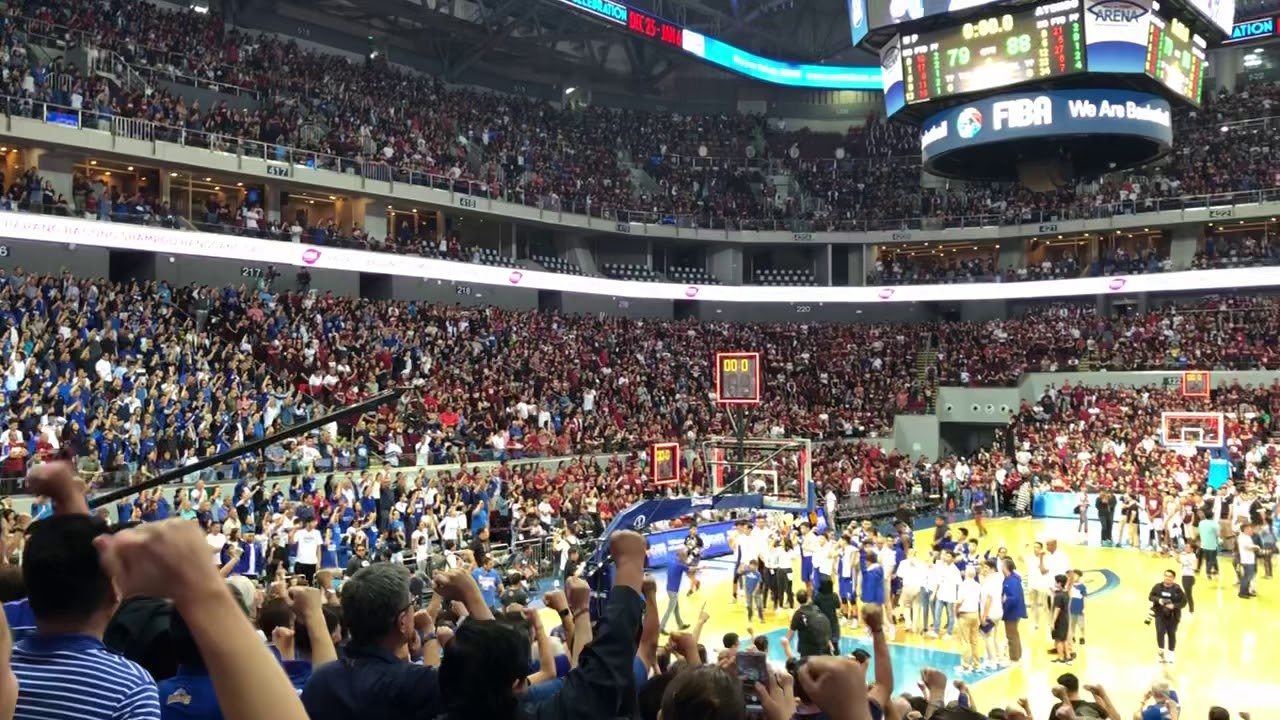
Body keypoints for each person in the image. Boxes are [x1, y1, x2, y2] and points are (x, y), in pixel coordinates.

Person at [302, 563, 470, 720]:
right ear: (402, 621)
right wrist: (470, 595)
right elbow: (483, 682)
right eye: (411, 603)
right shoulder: (414, 682)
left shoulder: (320, 680)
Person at [1148, 569, 1187, 664]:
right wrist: (1159, 600)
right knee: (1160, 633)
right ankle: (1161, 654)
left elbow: (1183, 602)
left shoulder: (1177, 589)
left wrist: (1174, 606)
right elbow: (1150, 597)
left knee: (1171, 634)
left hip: (1173, 616)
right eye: (1166, 575)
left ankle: (1171, 654)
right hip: (1160, 614)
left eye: (1170, 576)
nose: (1167, 578)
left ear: (1173, 578)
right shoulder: (1157, 587)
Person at [784, 590, 832, 657]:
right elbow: (823, 626)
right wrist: (829, 641)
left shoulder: (798, 614)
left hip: (806, 650)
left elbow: (790, 634)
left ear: (797, 600)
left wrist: (785, 642)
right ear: (808, 598)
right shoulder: (816, 608)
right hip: (820, 647)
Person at [1001, 558, 1027, 662]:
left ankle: (1014, 657)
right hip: (1011, 610)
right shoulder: (1009, 579)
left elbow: (1014, 598)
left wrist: (1005, 600)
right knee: (1013, 634)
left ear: (1005, 567)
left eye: (1002, 565)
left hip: (1012, 611)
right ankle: (1017, 655)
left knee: (1011, 635)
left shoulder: (1013, 581)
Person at [660, 549, 689, 634]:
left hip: (669, 588)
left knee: (676, 608)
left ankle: (680, 624)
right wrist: (701, 567)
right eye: (685, 556)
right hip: (673, 591)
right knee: (669, 610)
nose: (686, 558)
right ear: (681, 556)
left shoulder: (672, 562)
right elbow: (690, 569)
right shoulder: (680, 565)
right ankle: (661, 627)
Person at [1049, 574, 1071, 663]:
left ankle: (1061, 657)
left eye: (1056, 582)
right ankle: (1068, 656)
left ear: (1059, 583)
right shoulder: (1066, 594)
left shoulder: (1058, 596)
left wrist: (1053, 622)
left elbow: (1057, 609)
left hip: (1059, 620)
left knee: (1058, 640)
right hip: (1065, 618)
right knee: (1064, 638)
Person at [1237, 522, 1258, 599]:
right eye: (1250, 529)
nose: (1251, 530)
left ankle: (1246, 592)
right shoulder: (1243, 538)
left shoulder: (1246, 537)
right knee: (1247, 577)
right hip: (1247, 560)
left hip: (1249, 560)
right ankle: (1242, 593)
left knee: (1249, 576)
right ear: (1245, 529)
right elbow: (1247, 547)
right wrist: (1256, 547)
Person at [1067, 569, 1086, 647]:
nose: (1073, 577)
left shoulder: (1082, 586)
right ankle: (1073, 636)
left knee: (1081, 624)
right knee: (1072, 624)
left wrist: (1084, 608)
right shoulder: (1069, 585)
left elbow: (1084, 598)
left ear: (1079, 576)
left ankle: (1082, 637)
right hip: (1071, 607)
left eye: (1075, 575)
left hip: (1079, 607)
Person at [1178, 541, 1197, 614]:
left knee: (1188, 594)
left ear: (1191, 549)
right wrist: (1174, 554)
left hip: (1189, 577)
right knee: (1187, 594)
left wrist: (1194, 567)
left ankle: (1190, 610)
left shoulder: (1193, 555)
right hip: (1184, 576)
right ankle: (1185, 607)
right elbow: (1179, 561)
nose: (1185, 548)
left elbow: (1195, 566)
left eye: (1187, 547)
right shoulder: (1183, 554)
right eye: (1185, 547)